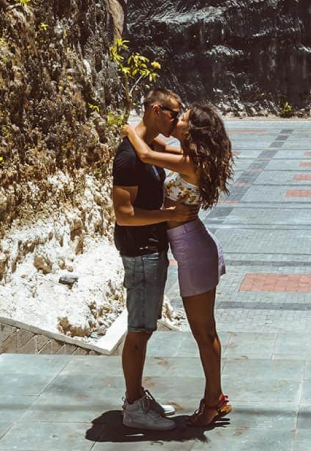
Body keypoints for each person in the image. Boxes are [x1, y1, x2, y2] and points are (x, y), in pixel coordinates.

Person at [123, 103, 234, 428]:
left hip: (195, 254)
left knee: (204, 333)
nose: (178, 118)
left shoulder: (190, 161)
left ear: (194, 129)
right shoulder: (189, 157)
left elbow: (145, 154)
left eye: (183, 118)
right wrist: (155, 130)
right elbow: (157, 148)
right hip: (195, 246)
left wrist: (129, 128)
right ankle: (218, 396)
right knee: (205, 332)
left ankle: (212, 403)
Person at [112, 88, 194, 432]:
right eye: (173, 114)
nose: (176, 120)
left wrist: (144, 130)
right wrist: (168, 214)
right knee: (139, 330)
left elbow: (169, 152)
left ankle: (137, 397)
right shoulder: (128, 158)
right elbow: (124, 215)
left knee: (144, 328)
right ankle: (133, 406)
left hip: (151, 249)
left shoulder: (146, 148)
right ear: (156, 110)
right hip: (141, 250)